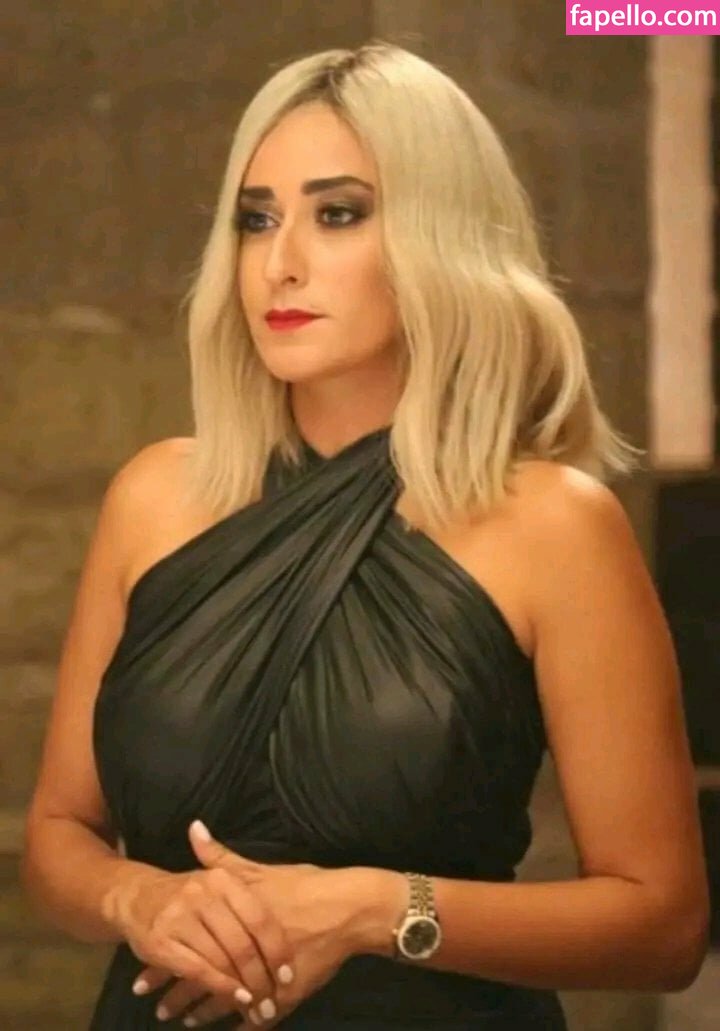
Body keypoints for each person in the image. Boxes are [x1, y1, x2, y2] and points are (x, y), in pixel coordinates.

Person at [21, 39, 709, 1031]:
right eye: (257, 219)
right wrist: (139, 897)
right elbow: (57, 833)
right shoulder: (156, 495)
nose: (280, 262)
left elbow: (664, 924)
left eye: (338, 213)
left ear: (441, 237)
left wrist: (374, 910)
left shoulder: (554, 525)